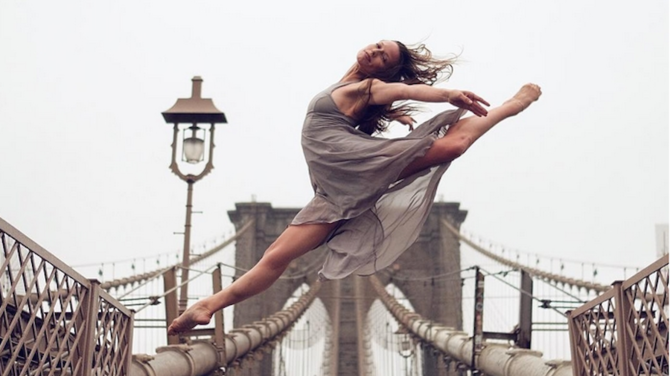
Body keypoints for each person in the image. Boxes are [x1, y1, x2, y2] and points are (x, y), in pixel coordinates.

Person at [167, 40, 541, 335]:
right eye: (377, 46)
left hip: (351, 164)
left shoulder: (370, 86)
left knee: (452, 146)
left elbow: (406, 92)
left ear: (387, 71)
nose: (375, 52)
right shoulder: (351, 86)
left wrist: (447, 96)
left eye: (383, 57)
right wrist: (394, 113)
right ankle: (208, 306)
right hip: (334, 186)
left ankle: (510, 105)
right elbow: (392, 99)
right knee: (276, 257)